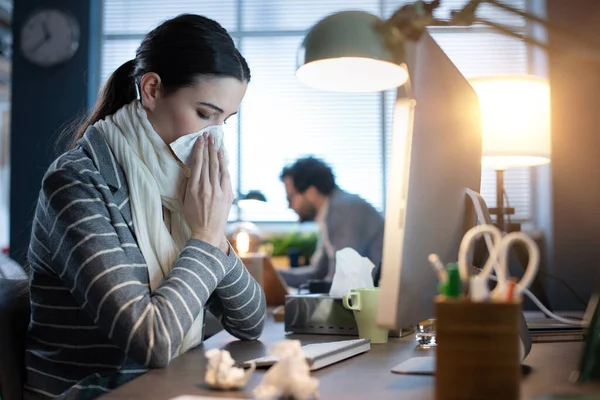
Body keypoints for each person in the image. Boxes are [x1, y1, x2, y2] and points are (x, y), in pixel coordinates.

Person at [24, 14, 266, 400]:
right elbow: (151, 342)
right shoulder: (76, 182)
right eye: (205, 114)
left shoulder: (179, 185)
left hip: (172, 387)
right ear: (151, 89)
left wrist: (213, 232)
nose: (215, 137)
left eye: (226, 121)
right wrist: (204, 234)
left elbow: (252, 321)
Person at [278, 157, 385, 288]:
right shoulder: (328, 213)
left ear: (311, 193)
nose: (290, 206)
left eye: (290, 198)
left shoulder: (344, 209)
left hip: (378, 299)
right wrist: (272, 274)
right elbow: (317, 274)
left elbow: (343, 280)